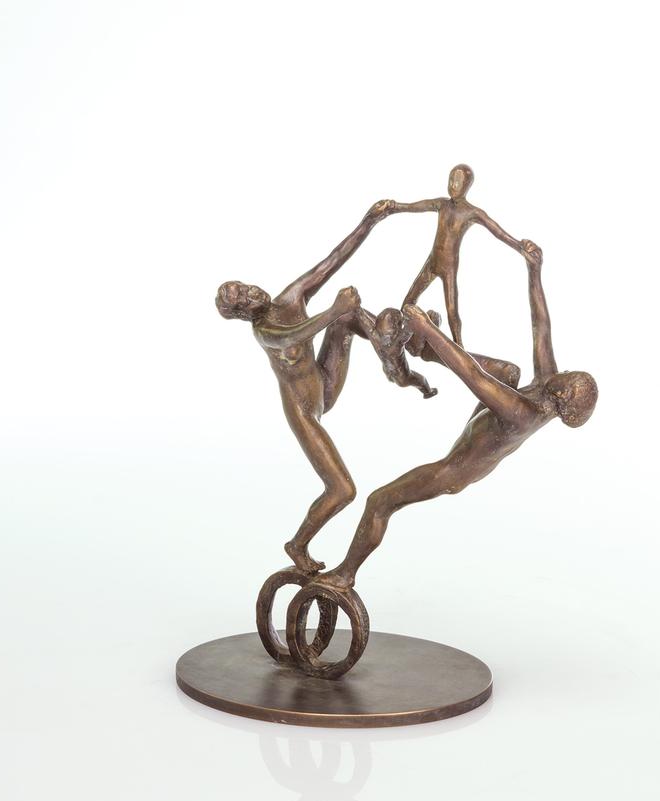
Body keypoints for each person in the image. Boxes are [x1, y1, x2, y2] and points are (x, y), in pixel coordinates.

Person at [318, 240, 598, 589]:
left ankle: (345, 574)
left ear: (564, 396)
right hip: (481, 434)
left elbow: (474, 377)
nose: (564, 372)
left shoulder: (523, 412)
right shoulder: (546, 386)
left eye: (569, 378)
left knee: (380, 501)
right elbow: (541, 326)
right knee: (510, 372)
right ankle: (426, 352)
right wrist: (534, 270)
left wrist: (429, 330)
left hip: (454, 470)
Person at [216, 199, 397, 575]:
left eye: (246, 287)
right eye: (244, 299)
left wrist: (369, 222)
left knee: (347, 320)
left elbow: (331, 262)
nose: (253, 292)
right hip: (304, 412)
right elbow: (294, 335)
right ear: (243, 314)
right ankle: (297, 544)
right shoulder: (266, 332)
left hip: (325, 382)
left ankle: (392, 348)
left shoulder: (290, 298)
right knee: (343, 490)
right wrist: (333, 310)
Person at [395, 164, 525, 346]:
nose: (452, 185)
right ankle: (400, 333)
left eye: (457, 181)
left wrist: (519, 245)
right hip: (432, 263)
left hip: (448, 267)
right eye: (451, 180)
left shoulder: (471, 213)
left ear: (467, 186)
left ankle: (459, 346)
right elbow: (416, 206)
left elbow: (497, 231)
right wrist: (395, 206)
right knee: (409, 299)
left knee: (452, 311)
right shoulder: (442, 204)